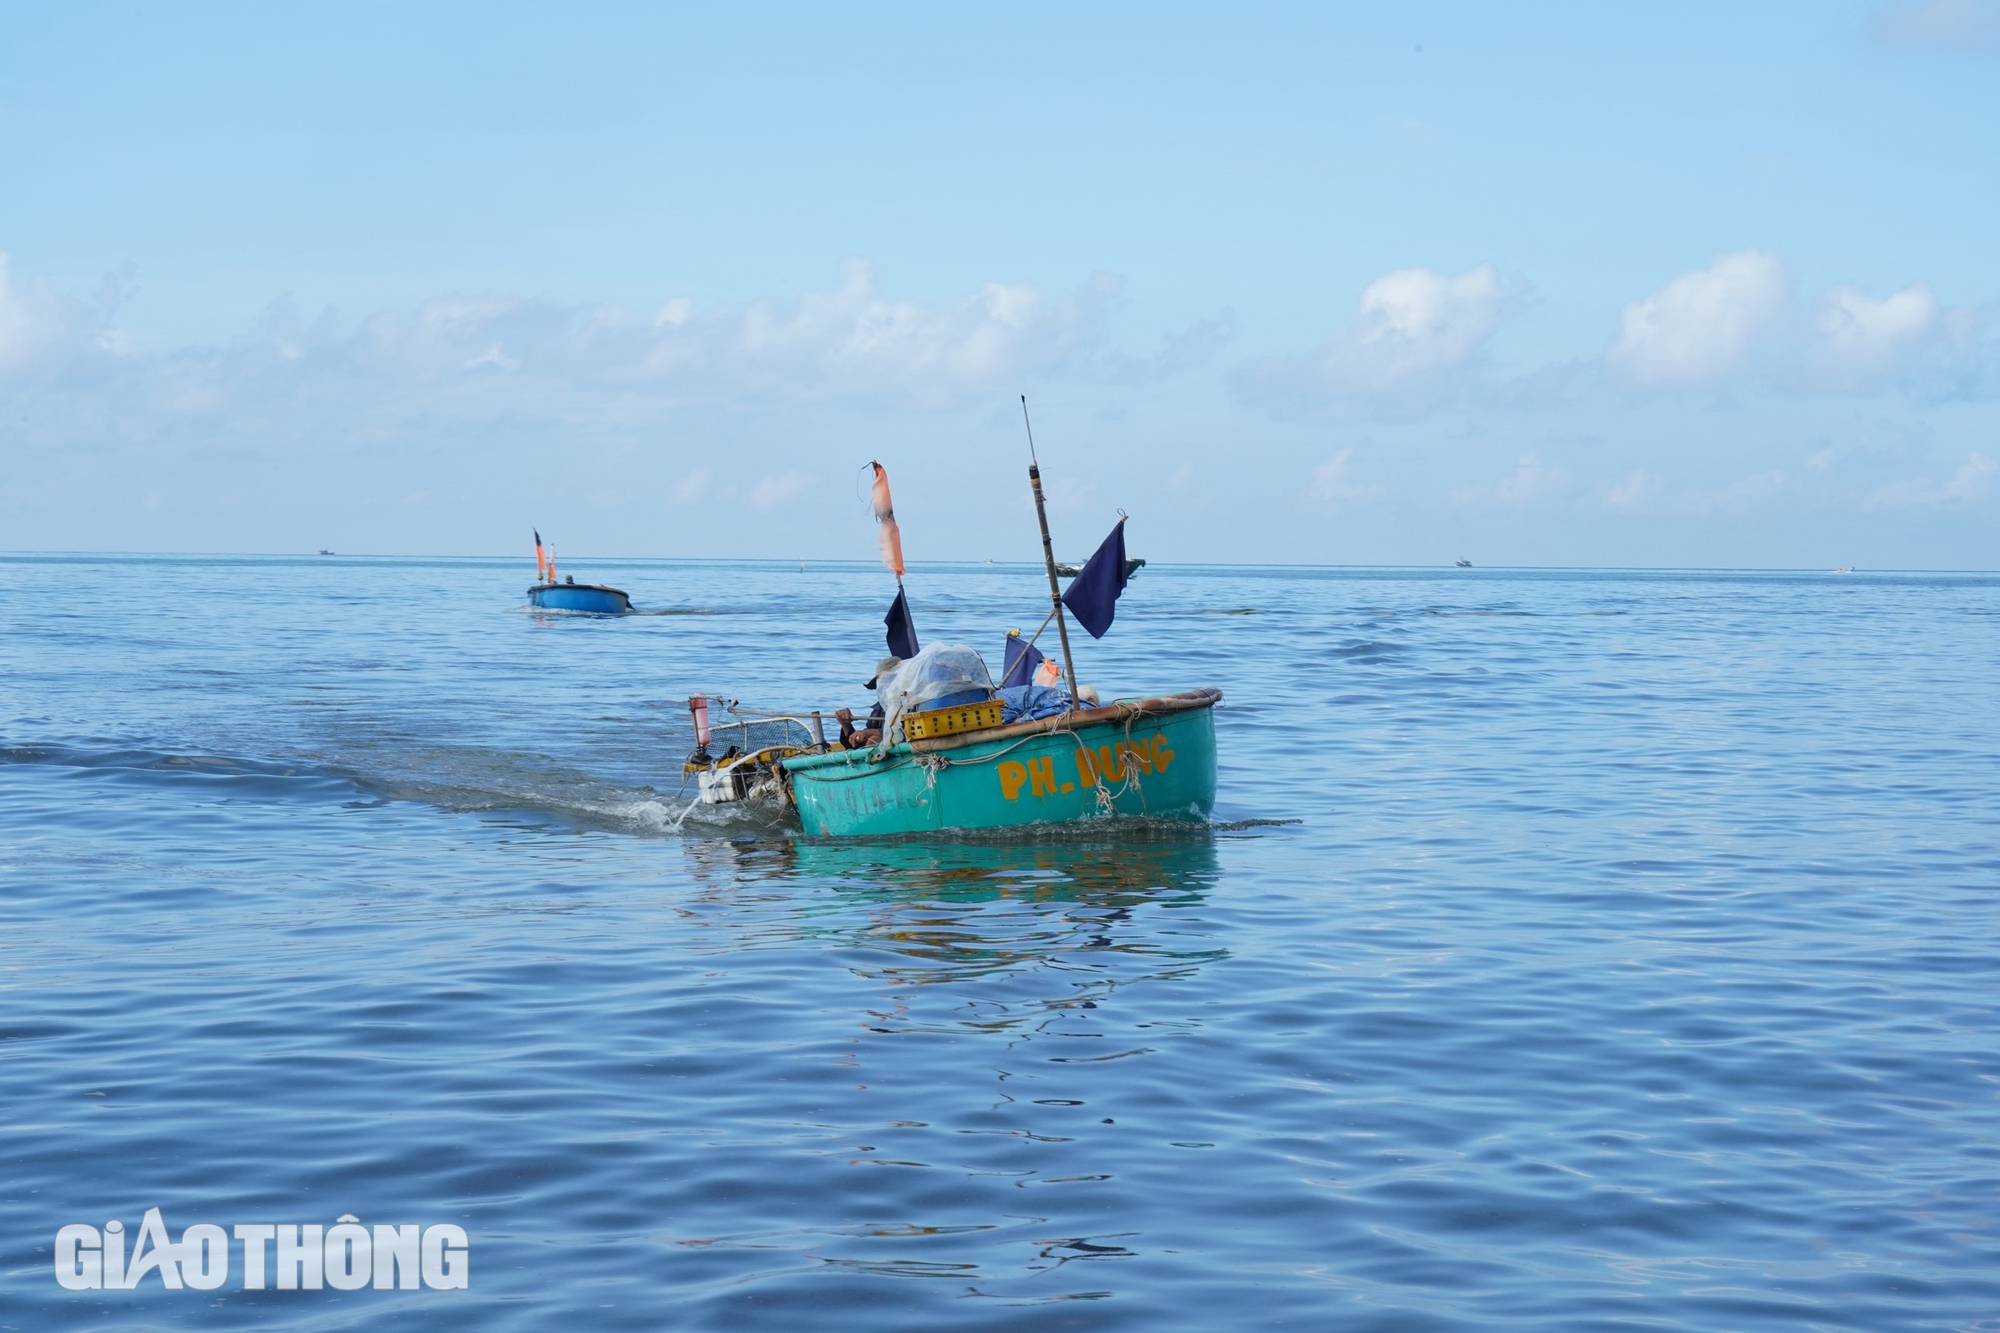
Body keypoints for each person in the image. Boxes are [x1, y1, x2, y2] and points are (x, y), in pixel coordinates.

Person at [835, 656, 899, 748]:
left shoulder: (913, 703)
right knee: (873, 739)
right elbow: (856, 745)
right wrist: (846, 724)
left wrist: (871, 733)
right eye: (883, 681)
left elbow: (903, 732)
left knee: (875, 739)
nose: (886, 685)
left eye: (890, 679)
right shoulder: (879, 709)